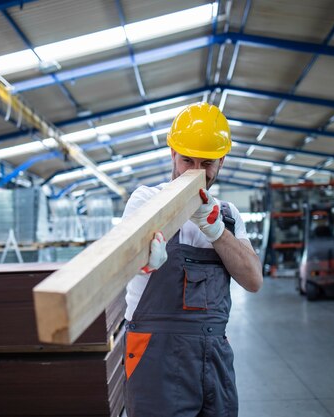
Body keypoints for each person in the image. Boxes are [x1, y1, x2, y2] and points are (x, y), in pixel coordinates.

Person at [122, 102, 263, 417]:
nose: (196, 171)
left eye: (207, 163)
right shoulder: (145, 200)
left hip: (214, 356)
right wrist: (143, 258)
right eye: (187, 160)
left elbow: (253, 280)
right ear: (172, 153)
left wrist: (215, 231)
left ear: (222, 161)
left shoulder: (227, 215)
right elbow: (126, 255)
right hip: (155, 354)